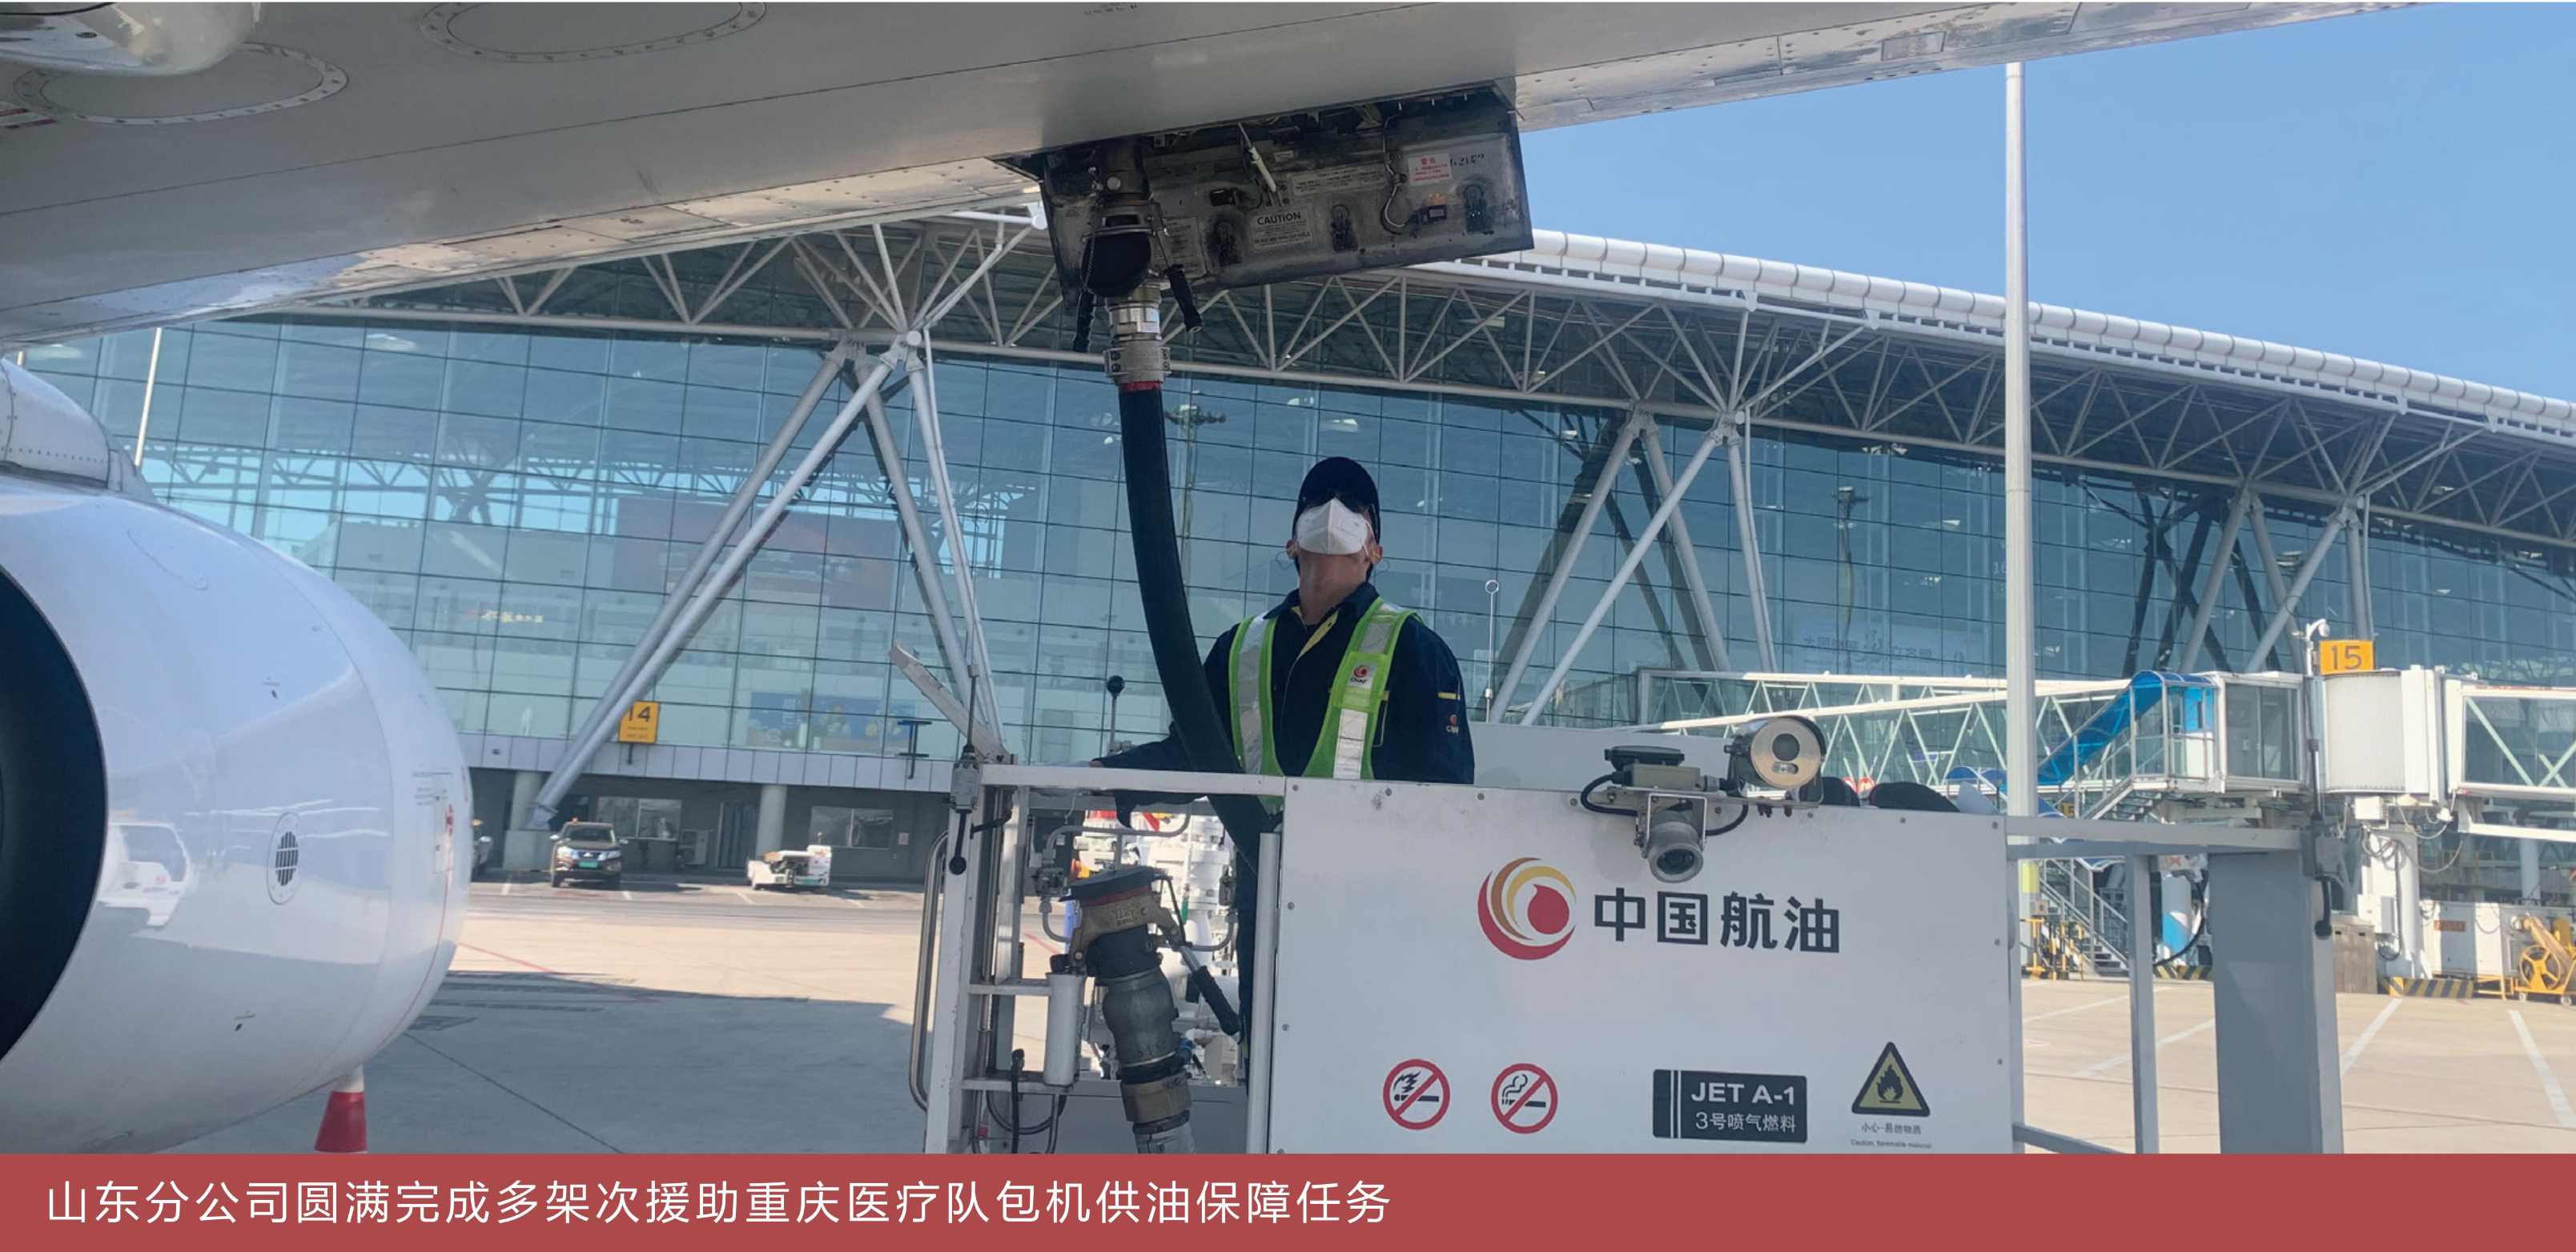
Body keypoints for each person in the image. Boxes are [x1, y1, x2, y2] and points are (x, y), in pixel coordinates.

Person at [1094, 455, 1475, 791]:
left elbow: (1444, 790)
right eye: (1316, 501)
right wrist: (1104, 774)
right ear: (1291, 543)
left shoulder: (1414, 648)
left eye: (1354, 505)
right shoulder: (1239, 647)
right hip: (1258, 849)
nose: (1333, 507)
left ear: (1375, 551)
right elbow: (1193, 755)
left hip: (1364, 851)